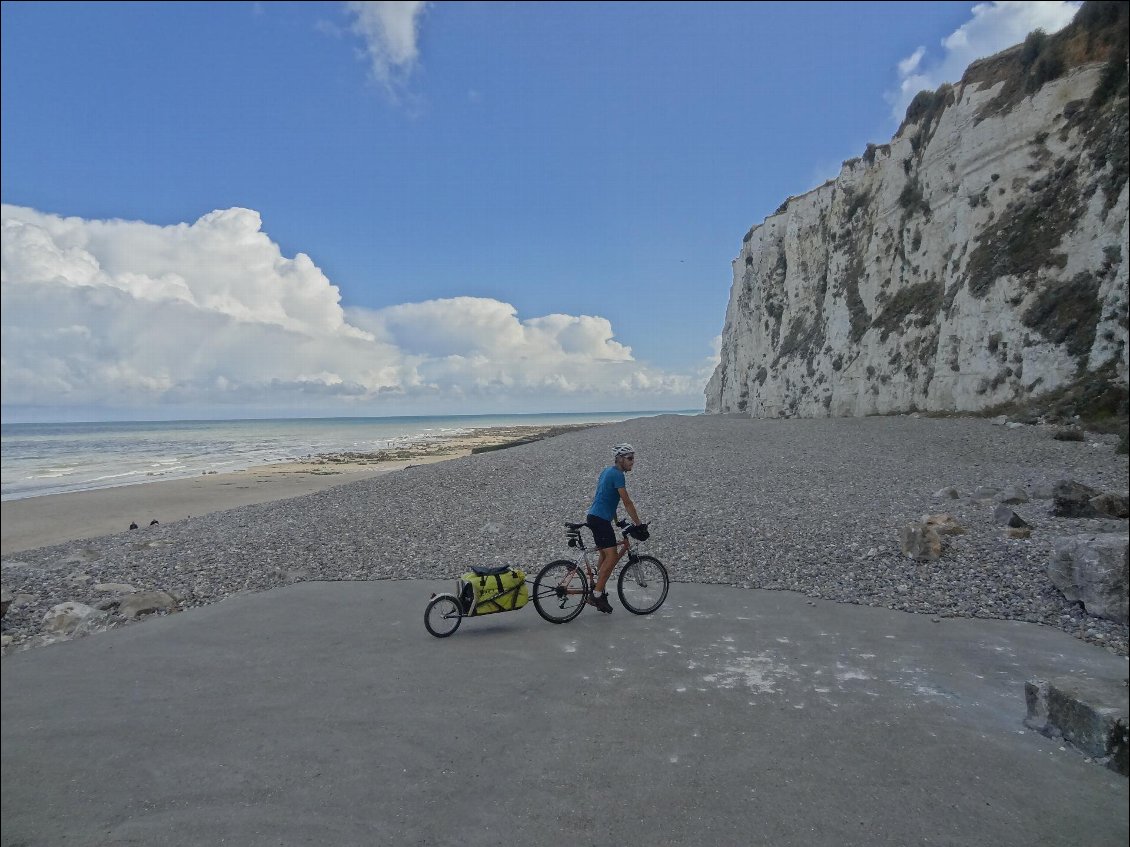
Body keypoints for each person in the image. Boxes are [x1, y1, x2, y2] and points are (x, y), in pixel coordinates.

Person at [585, 443, 643, 614]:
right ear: (620, 459)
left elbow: (606, 497)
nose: (633, 462)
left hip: (595, 517)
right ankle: (595, 595)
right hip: (601, 520)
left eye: (633, 458)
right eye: (630, 458)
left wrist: (617, 520)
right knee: (612, 557)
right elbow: (627, 501)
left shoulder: (607, 471)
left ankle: (598, 588)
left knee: (604, 555)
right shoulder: (618, 475)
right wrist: (638, 524)